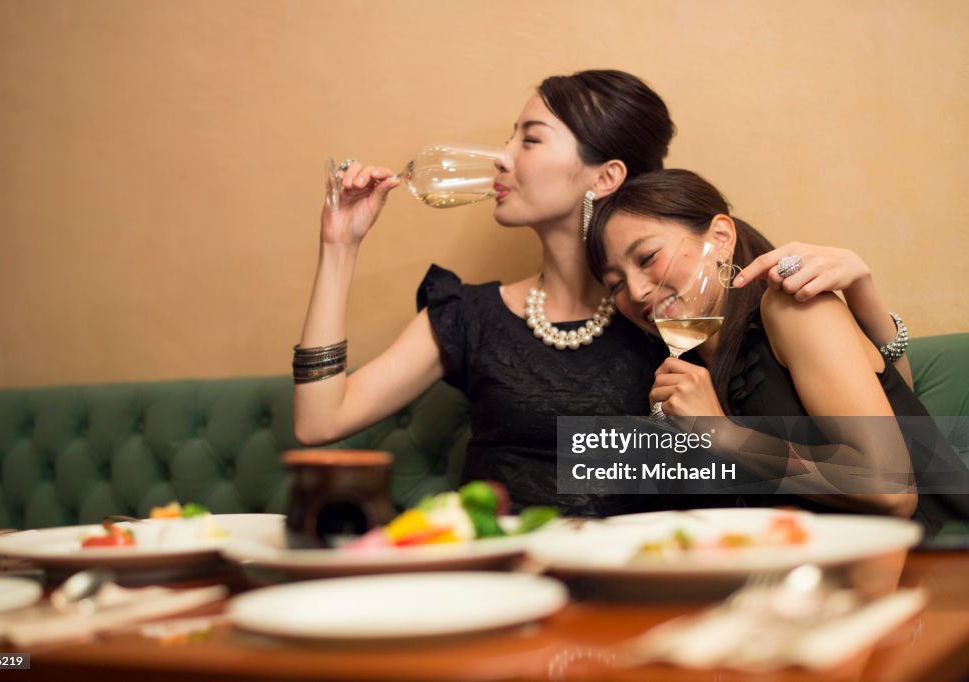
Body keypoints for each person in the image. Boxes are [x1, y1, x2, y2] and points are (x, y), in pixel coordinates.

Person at [293, 69, 906, 516]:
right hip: (495, 571)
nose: (502, 161)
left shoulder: (677, 311)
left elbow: (879, 434)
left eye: (529, 140)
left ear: (606, 175)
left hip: (640, 583)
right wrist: (340, 247)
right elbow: (321, 422)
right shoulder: (471, 312)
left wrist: (867, 297)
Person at [587, 168, 968, 525]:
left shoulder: (790, 308)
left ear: (720, 238)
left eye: (648, 257)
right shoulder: (688, 373)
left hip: (934, 565)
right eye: (616, 283)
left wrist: (723, 434)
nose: (635, 291)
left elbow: (891, 489)